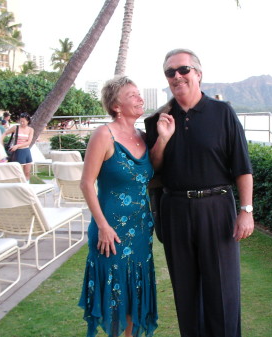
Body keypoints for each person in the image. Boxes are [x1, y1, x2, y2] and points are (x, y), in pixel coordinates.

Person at [144, 48, 254, 337]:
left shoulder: (223, 113)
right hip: (175, 210)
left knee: (223, 290)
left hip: (217, 209)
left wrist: (246, 211)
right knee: (186, 290)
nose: (177, 76)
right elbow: (153, 169)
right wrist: (164, 138)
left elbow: (242, 166)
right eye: (170, 72)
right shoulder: (157, 120)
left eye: (183, 70)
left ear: (198, 74)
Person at [78, 76, 158, 337]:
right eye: (132, 95)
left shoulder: (143, 136)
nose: (140, 98)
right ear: (116, 105)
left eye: (139, 94)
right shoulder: (104, 134)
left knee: (135, 294)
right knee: (115, 298)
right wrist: (102, 226)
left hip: (140, 230)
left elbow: (155, 172)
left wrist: (165, 138)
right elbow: (87, 184)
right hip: (109, 232)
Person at [2, 113, 34, 182]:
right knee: (20, 172)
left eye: (23, 121)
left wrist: (17, 146)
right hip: (18, 151)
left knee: (27, 171)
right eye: (21, 121)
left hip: (26, 150)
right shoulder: (15, 127)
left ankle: (27, 186)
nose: (22, 123)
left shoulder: (30, 130)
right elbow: (5, 133)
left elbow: (29, 142)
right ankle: (19, 186)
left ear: (28, 121)